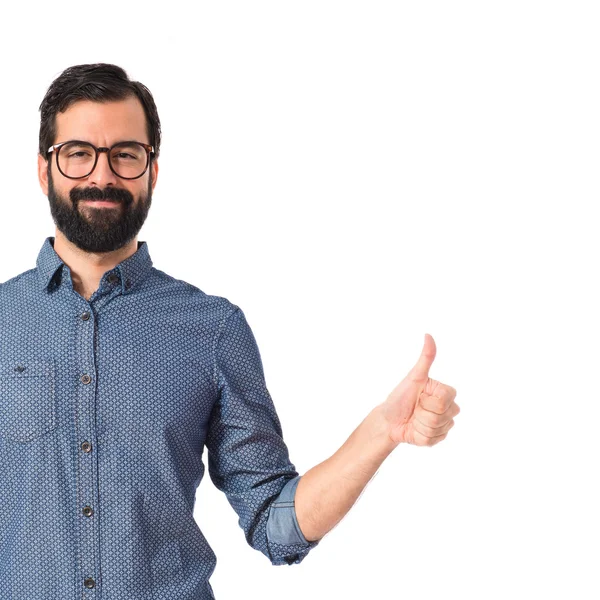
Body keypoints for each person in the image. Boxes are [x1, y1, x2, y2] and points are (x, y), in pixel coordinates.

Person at [0, 63, 460, 600]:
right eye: (78, 153)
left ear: (152, 170)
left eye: (125, 154)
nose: (102, 176)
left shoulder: (211, 329)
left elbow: (276, 525)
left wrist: (382, 431)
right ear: (43, 169)